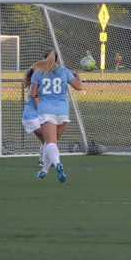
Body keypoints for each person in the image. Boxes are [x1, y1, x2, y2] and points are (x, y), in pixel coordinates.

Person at [30, 49, 83, 182]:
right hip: (62, 111)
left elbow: (33, 94)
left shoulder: (38, 72)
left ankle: (58, 164)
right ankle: (43, 171)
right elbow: (78, 87)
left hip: (46, 110)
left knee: (50, 143)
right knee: (52, 143)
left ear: (44, 59)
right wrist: (78, 76)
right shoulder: (65, 71)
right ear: (57, 59)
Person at [21, 67, 46, 168]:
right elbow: (38, 105)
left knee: (47, 139)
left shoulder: (38, 85)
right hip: (31, 117)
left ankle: (43, 161)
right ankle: (43, 161)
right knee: (48, 139)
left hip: (35, 117)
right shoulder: (34, 86)